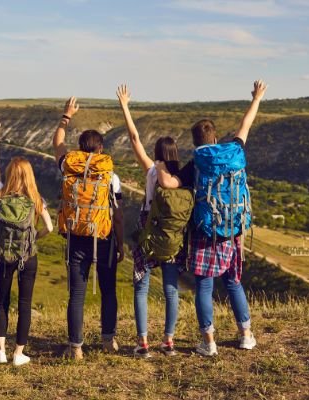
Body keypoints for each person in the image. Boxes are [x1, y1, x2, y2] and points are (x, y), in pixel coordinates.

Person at [157, 80, 268, 356]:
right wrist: (256, 98)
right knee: (233, 282)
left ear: (195, 143)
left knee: (204, 286)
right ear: (216, 138)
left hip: (205, 232)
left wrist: (159, 165)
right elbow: (246, 125)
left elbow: (170, 185)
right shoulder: (234, 151)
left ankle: (209, 343)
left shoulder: (197, 163)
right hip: (233, 229)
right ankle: (245, 335)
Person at [53, 96, 125, 360]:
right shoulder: (110, 176)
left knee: (77, 294)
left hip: (75, 237)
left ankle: (76, 347)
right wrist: (121, 243)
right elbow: (117, 215)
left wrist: (66, 115)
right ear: (101, 149)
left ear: (80, 149)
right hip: (103, 237)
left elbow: (57, 143)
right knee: (108, 291)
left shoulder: (68, 170)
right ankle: (108, 341)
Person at [116, 84, 183, 358]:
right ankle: (168, 341)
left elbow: (134, 139)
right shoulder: (182, 177)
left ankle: (142, 343)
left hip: (147, 230)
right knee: (171, 289)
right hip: (171, 234)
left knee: (141, 287)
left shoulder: (153, 172)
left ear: (158, 154)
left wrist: (125, 106)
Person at [0, 115, 54, 366]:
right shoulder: (37, 200)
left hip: (4, 255)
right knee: (24, 304)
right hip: (28, 256)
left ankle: (0, 352)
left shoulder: (1, 195)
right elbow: (50, 226)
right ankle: (18, 354)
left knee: (2, 301)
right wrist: (33, 237)